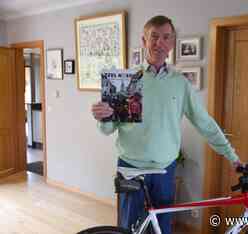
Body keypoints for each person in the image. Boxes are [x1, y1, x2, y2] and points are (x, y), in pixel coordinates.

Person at [91, 15, 240, 234]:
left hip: (164, 170)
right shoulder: (126, 80)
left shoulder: (180, 83)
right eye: (154, 37)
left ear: (172, 43)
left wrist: (231, 155)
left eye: (166, 37)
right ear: (144, 41)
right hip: (131, 169)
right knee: (129, 228)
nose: (159, 43)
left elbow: (204, 123)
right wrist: (103, 117)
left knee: (162, 228)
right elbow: (107, 130)